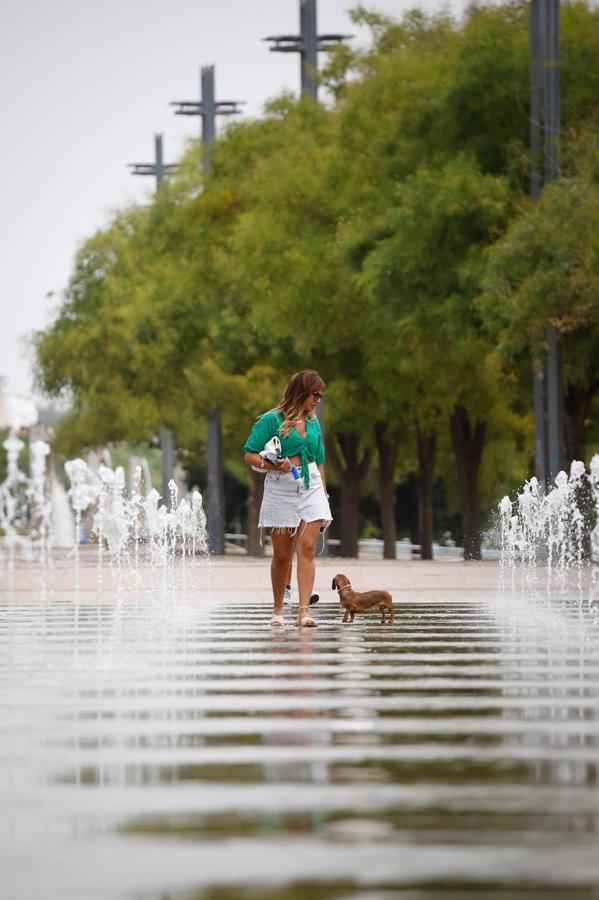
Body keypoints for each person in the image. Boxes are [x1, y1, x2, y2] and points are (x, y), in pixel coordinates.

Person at [243, 370, 332, 627]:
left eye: (320, 396)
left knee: (306, 547)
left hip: (311, 484)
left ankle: (304, 611)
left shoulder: (313, 423)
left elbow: (320, 461)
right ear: (301, 393)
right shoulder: (271, 421)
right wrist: (274, 466)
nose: (318, 400)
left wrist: (324, 494)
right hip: (281, 487)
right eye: (315, 394)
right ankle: (279, 609)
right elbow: (249, 455)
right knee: (282, 554)